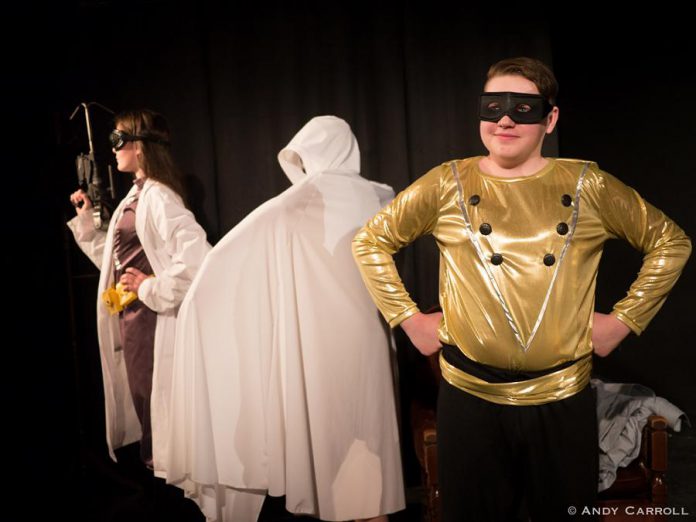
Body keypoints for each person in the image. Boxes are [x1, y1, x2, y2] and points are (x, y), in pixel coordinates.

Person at [352, 57, 691, 521]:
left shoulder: (586, 184)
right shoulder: (447, 182)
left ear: (550, 119)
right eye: (493, 106)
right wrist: (409, 321)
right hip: (468, 401)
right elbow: (371, 241)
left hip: (561, 400)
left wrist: (624, 320)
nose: (505, 119)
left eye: (523, 108)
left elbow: (669, 241)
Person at [166, 116, 405, 522]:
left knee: (334, 442)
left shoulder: (299, 200)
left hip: (320, 339)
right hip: (371, 335)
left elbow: (227, 256)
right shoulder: (383, 196)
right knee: (368, 442)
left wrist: (198, 301)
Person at [67, 109, 210, 475]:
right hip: (134, 323)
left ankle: (179, 493)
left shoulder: (160, 197)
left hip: (152, 322)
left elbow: (196, 260)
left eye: (118, 140)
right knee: (146, 405)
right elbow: (117, 262)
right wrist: (87, 223)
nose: (113, 149)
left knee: (162, 412)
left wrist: (149, 287)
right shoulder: (137, 195)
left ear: (141, 147)